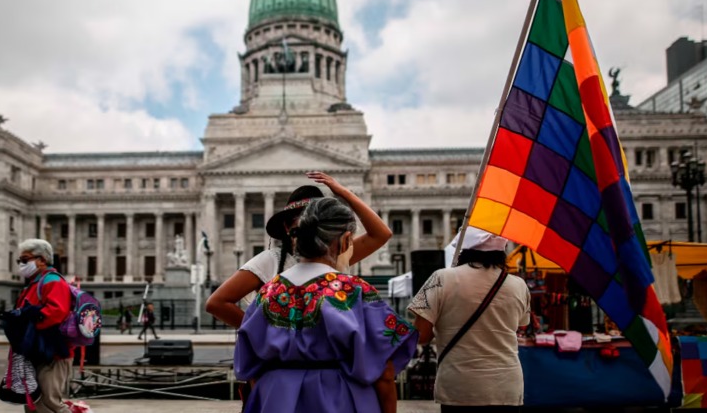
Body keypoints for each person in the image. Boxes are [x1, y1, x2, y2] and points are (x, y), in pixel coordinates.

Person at [235, 197, 417, 413]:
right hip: (339, 398)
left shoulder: (268, 292)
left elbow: (250, 365)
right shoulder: (354, 291)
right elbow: (384, 372)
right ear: (345, 240)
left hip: (275, 398)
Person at [207, 171, 393, 328]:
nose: (310, 224)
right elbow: (217, 303)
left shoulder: (335, 256)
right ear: (288, 228)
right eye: (304, 220)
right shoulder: (270, 259)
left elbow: (381, 234)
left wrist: (345, 193)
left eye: (317, 219)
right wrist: (262, 333)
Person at [407, 227, 531, 412]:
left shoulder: (441, 278)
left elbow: (421, 336)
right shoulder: (519, 285)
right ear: (501, 251)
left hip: (460, 386)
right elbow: (522, 323)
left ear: (465, 248)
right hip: (506, 386)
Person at [9, 239, 72, 413]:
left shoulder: (52, 281)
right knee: (32, 403)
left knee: (49, 402)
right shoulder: (33, 284)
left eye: (25, 260)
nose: (21, 264)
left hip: (51, 353)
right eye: (19, 260)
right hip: (35, 352)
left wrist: (27, 323)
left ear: (42, 260)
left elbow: (56, 312)